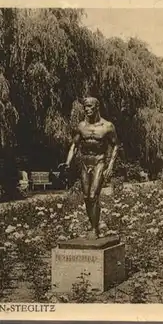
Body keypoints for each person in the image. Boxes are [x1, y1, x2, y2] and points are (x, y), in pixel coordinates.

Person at [60, 97, 120, 239]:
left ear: (97, 107)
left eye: (90, 106)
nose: (87, 109)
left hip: (99, 161)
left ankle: (94, 228)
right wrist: (68, 162)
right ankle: (93, 224)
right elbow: (74, 145)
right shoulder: (81, 126)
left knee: (94, 195)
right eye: (85, 106)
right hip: (85, 162)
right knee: (87, 197)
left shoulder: (107, 126)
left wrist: (110, 165)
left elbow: (116, 144)